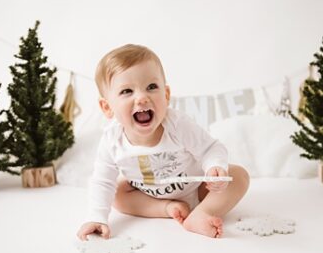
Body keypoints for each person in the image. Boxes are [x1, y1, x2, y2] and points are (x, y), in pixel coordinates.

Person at [76, 44, 249, 241]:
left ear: (166, 95)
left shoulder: (177, 125)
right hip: (148, 196)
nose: (141, 97)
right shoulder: (112, 140)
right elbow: (102, 180)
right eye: (126, 91)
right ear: (107, 107)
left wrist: (215, 167)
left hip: (199, 191)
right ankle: (167, 208)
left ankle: (203, 212)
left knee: (238, 176)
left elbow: (211, 148)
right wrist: (97, 218)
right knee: (118, 192)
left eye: (151, 87)